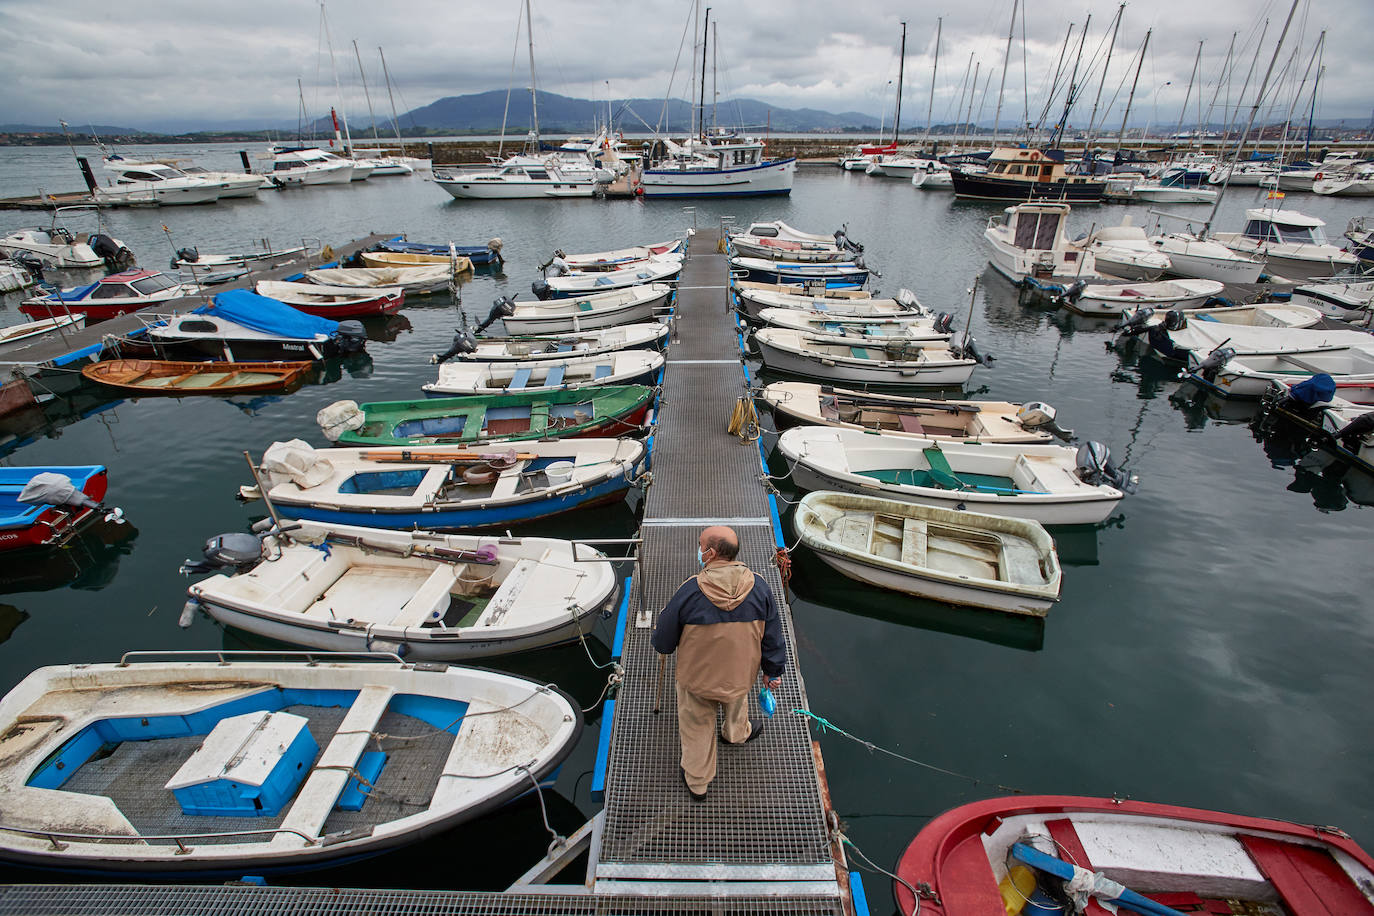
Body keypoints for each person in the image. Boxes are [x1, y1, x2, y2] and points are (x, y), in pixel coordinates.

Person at [652, 525, 785, 801]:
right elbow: (773, 636)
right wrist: (772, 671)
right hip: (740, 676)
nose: (699, 550)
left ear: (710, 553)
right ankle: (737, 734)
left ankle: (698, 782)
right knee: (737, 699)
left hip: (697, 681)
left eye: (701, 546)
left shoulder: (690, 590)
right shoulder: (759, 587)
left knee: (697, 725)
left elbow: (663, 642)